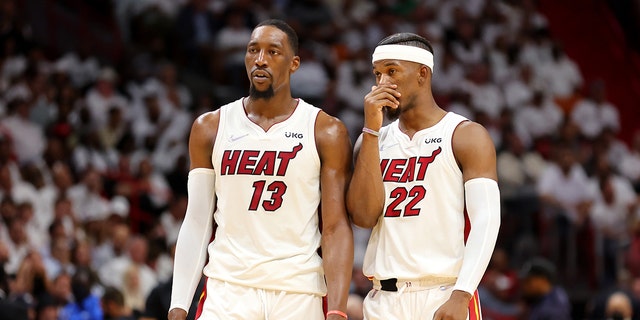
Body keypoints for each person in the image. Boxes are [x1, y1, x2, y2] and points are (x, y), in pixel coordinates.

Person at [167, 19, 353, 320]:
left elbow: (334, 226)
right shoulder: (210, 127)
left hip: (299, 290)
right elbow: (197, 219)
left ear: (294, 64)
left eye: (273, 52)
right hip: (227, 288)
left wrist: (337, 309)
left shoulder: (325, 130)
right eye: (253, 50)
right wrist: (178, 304)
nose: (261, 59)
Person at [347, 32, 501, 319]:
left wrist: (463, 293)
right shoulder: (371, 141)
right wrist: (370, 131)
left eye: (391, 71)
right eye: (377, 74)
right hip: (384, 298)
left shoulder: (465, 135)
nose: (382, 84)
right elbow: (363, 217)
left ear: (422, 74)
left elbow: (486, 221)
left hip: (443, 294)